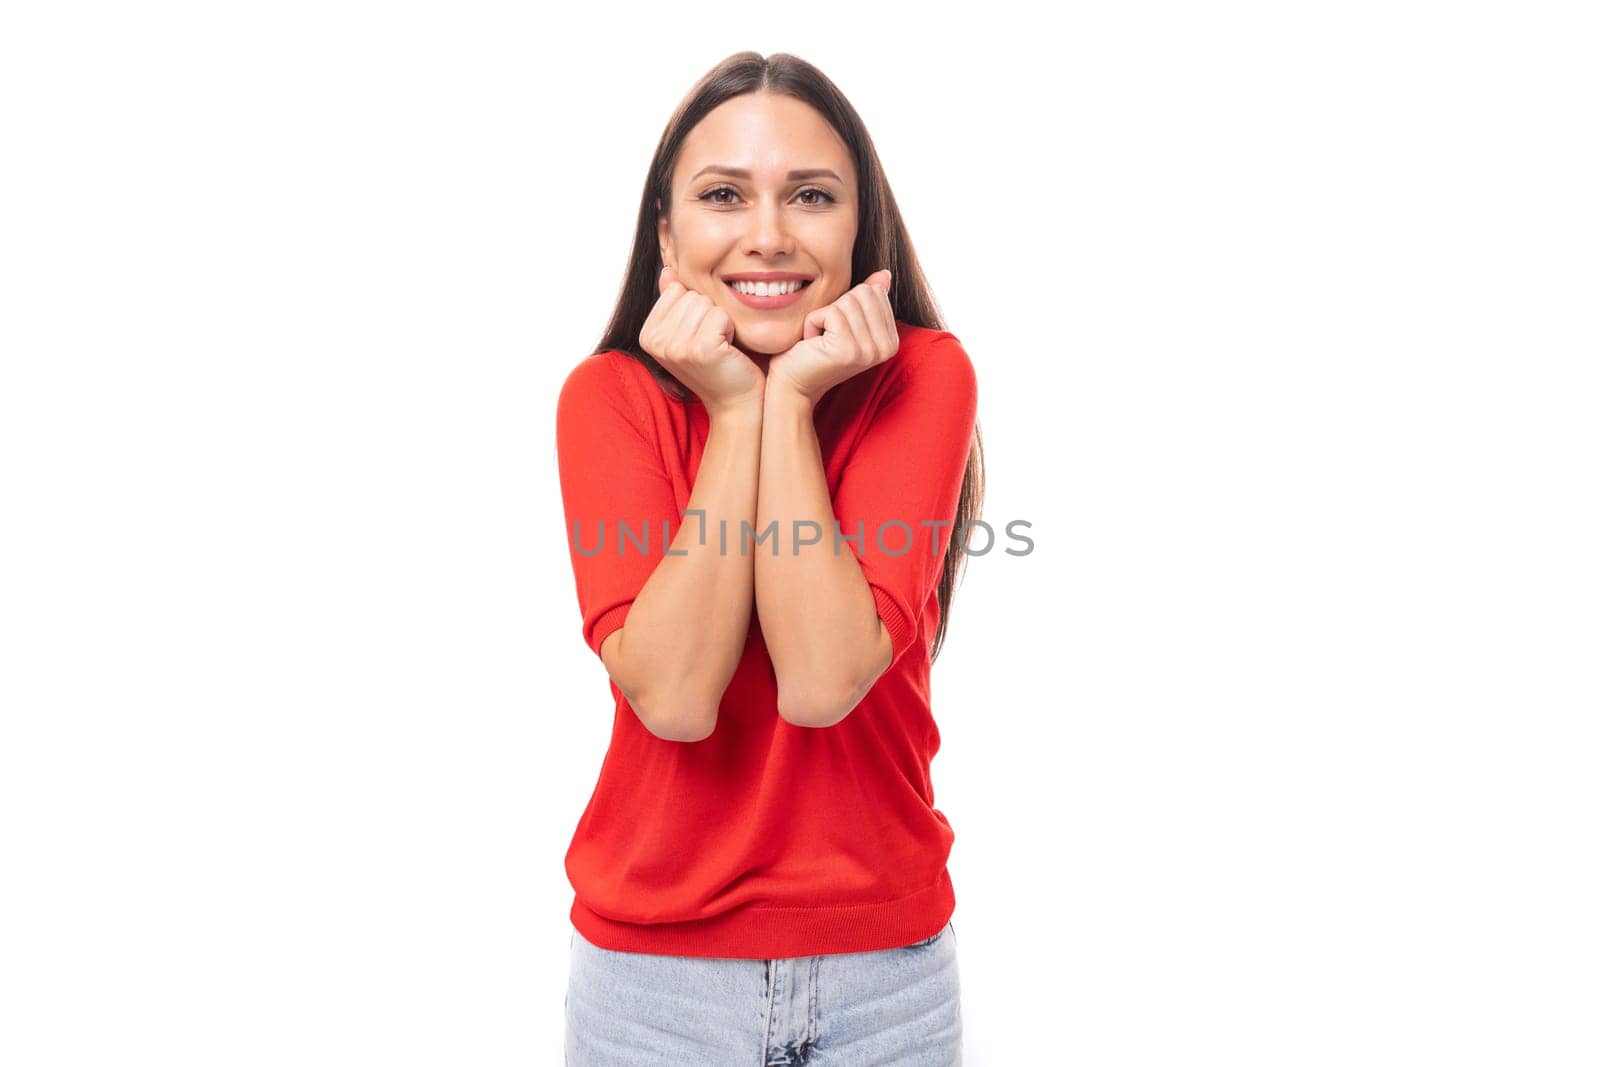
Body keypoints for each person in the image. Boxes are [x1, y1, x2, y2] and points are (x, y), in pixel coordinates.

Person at [555, 50, 985, 1065]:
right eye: (721, 195)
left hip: (886, 976)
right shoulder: (607, 399)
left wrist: (785, 399)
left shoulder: (925, 376)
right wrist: (737, 404)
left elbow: (822, 679)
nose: (767, 234)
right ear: (666, 231)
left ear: (859, 224)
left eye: (810, 195)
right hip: (651, 983)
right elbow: (673, 696)